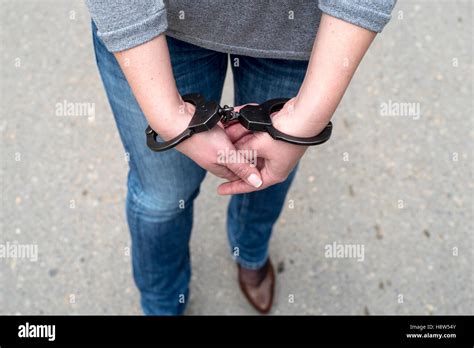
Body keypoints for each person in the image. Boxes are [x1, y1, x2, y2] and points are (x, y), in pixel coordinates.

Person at [86, 0, 396, 315]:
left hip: (295, 27)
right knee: (162, 196)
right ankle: (162, 301)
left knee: (264, 170)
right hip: (154, 24)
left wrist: (306, 120)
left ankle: (249, 251)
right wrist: (169, 118)